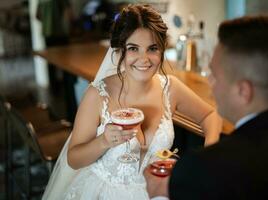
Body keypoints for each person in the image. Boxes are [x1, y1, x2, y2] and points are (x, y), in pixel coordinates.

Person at [42, 4, 222, 200]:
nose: (144, 59)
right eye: (133, 48)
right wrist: (103, 141)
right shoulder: (98, 94)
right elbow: (73, 159)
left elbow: (211, 115)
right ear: (120, 51)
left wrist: (207, 156)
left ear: (162, 50)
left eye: (152, 48)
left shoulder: (171, 88)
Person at [145, 15, 268, 200]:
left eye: (215, 75)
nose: (210, 82)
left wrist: (159, 192)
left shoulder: (203, 171)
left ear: (243, 91)